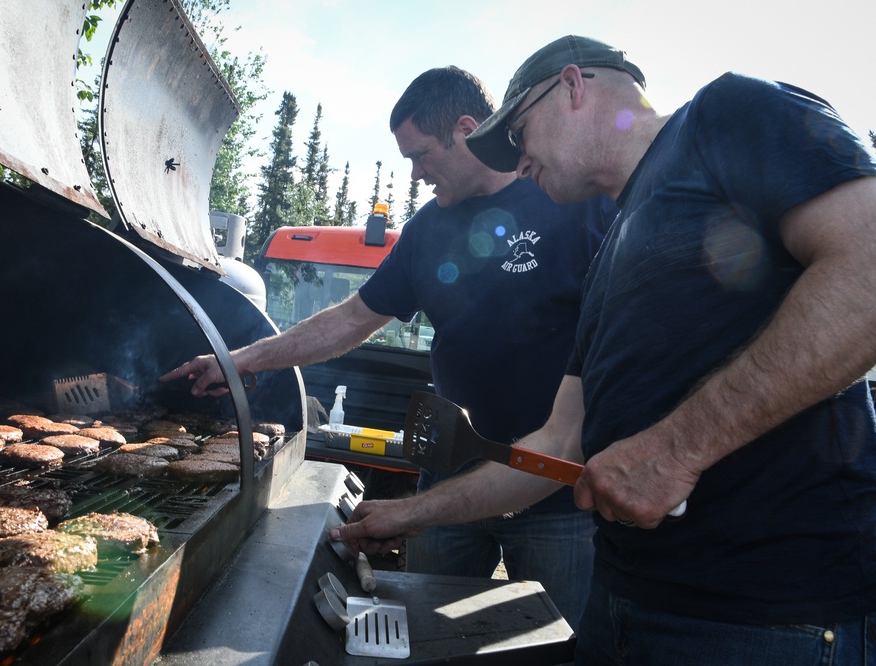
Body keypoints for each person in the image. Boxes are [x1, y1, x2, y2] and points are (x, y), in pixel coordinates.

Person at [331, 35, 876, 665]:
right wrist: (412, 513)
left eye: (520, 134)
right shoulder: (609, 254)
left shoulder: (727, 114)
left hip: (768, 617)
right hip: (623, 604)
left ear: (572, 86)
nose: (519, 161)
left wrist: (677, 448)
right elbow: (557, 446)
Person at [160, 65, 617, 629]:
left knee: (559, 645)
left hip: (557, 498)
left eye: (422, 155)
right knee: (425, 637)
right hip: (447, 487)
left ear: (468, 129)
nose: (417, 173)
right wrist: (239, 360)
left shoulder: (573, 202)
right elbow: (351, 319)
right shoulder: (428, 230)